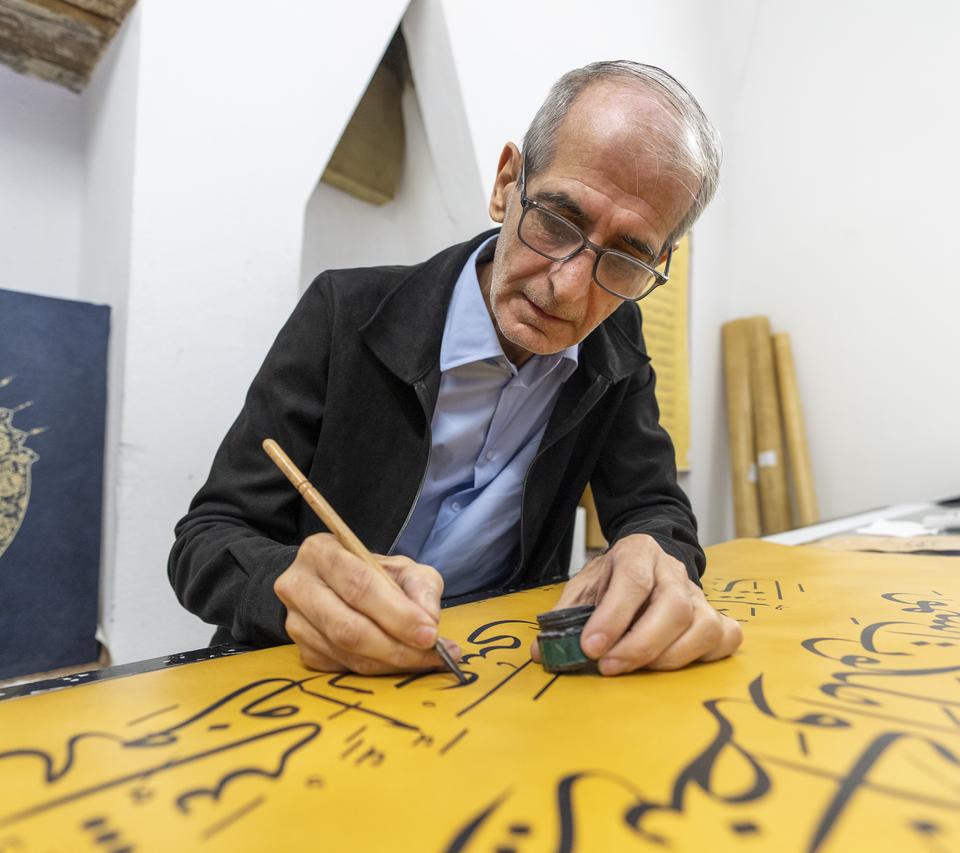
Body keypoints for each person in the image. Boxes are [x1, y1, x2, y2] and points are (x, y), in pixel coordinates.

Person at [169, 60, 742, 677]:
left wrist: (651, 550)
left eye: (628, 259)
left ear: (661, 261)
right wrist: (287, 588)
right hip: (310, 679)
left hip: (495, 685)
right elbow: (207, 538)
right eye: (556, 220)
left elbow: (653, 503)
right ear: (505, 184)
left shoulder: (614, 342)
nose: (570, 289)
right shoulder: (343, 314)